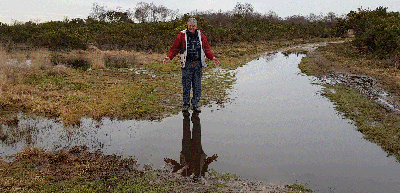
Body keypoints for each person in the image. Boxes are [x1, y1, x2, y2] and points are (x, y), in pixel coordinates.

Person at [163, 17, 220, 113]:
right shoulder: (181, 35)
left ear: (196, 26)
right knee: (186, 85)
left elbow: (206, 49)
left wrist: (212, 57)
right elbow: (174, 49)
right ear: (187, 25)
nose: (191, 28)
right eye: (190, 26)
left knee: (197, 85)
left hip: (198, 64)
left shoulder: (201, 35)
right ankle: (186, 104)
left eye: (193, 26)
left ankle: (195, 104)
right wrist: (169, 57)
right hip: (186, 64)